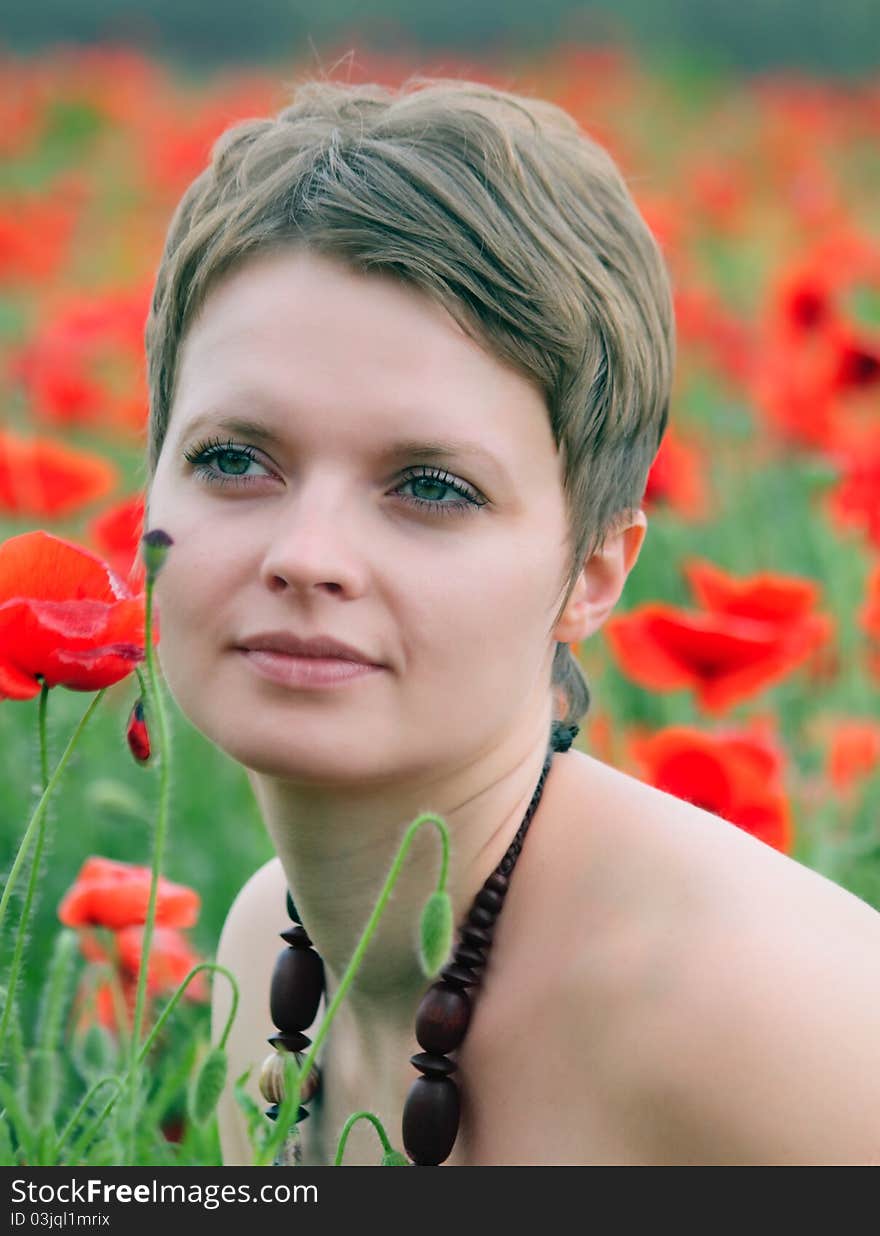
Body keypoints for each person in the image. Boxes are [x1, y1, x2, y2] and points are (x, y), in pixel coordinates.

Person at [142, 75, 880, 1167]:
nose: (304, 556)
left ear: (591, 570)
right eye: (234, 459)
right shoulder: (262, 947)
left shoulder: (761, 1015)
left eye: (431, 486)